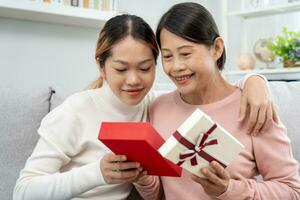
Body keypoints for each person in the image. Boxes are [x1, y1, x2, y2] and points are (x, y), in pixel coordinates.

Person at [14, 14, 274, 200]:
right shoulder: (74, 111)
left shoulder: (153, 103)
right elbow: (23, 191)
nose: (134, 80)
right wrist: (98, 173)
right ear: (100, 65)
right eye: (120, 69)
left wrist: (254, 80)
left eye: (145, 68)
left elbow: (204, 89)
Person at [147, 2, 300, 200]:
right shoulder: (157, 109)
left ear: (217, 48)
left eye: (186, 53)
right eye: (168, 56)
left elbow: (291, 190)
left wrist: (229, 189)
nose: (176, 66)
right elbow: (158, 193)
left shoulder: (253, 106)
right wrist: (140, 178)